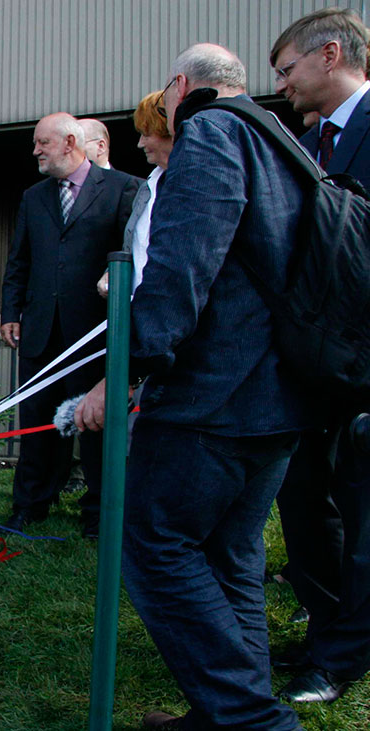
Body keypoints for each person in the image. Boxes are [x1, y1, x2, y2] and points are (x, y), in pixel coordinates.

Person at [74, 44, 312, 729]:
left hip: (215, 396)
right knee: (230, 556)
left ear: (180, 87)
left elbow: (183, 263)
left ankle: (250, 721)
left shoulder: (209, 131)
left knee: (153, 542)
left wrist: (131, 366)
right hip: (278, 393)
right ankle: (224, 712)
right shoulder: (282, 141)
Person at [269, 6, 370, 704]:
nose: (282, 86)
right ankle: (328, 623)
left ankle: (344, 655)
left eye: (288, 69)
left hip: (367, 361)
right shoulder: (311, 145)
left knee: (364, 510)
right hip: (312, 362)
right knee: (304, 496)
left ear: (329, 54)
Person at [0, 113, 139, 538]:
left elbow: (132, 258)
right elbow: (19, 260)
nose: (36, 151)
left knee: (97, 424)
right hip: (41, 331)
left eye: (43, 142)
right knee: (36, 421)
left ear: (71, 142)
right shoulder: (33, 197)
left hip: (94, 334)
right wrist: (10, 311)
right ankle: (31, 504)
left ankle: (98, 513)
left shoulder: (122, 189)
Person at [96, 91, 175, 297]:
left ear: (169, 130)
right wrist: (113, 274)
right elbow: (136, 248)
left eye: (146, 134)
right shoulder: (147, 188)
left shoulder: (198, 183)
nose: (140, 143)